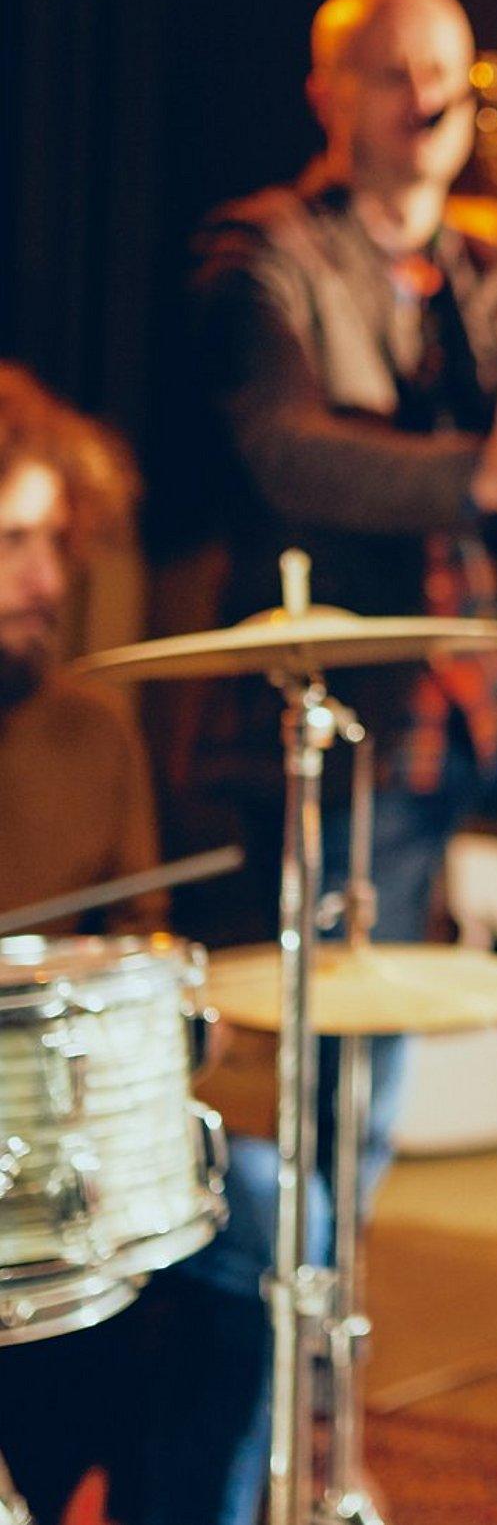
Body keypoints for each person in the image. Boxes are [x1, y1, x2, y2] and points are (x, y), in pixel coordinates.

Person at [170, 0, 497, 1525]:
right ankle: (304, 1434)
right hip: (359, 725)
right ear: (329, 94)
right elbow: (284, 452)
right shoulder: (258, 254)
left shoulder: (486, 258)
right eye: (395, 76)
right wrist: (476, 463)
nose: (430, 104)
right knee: (357, 1108)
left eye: (449, 76)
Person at [0, 364, 163, 1524]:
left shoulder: (94, 730)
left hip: (49, 1148)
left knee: (254, 1221)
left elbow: (136, 956)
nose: (48, 580)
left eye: (58, 542)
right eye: (12, 542)